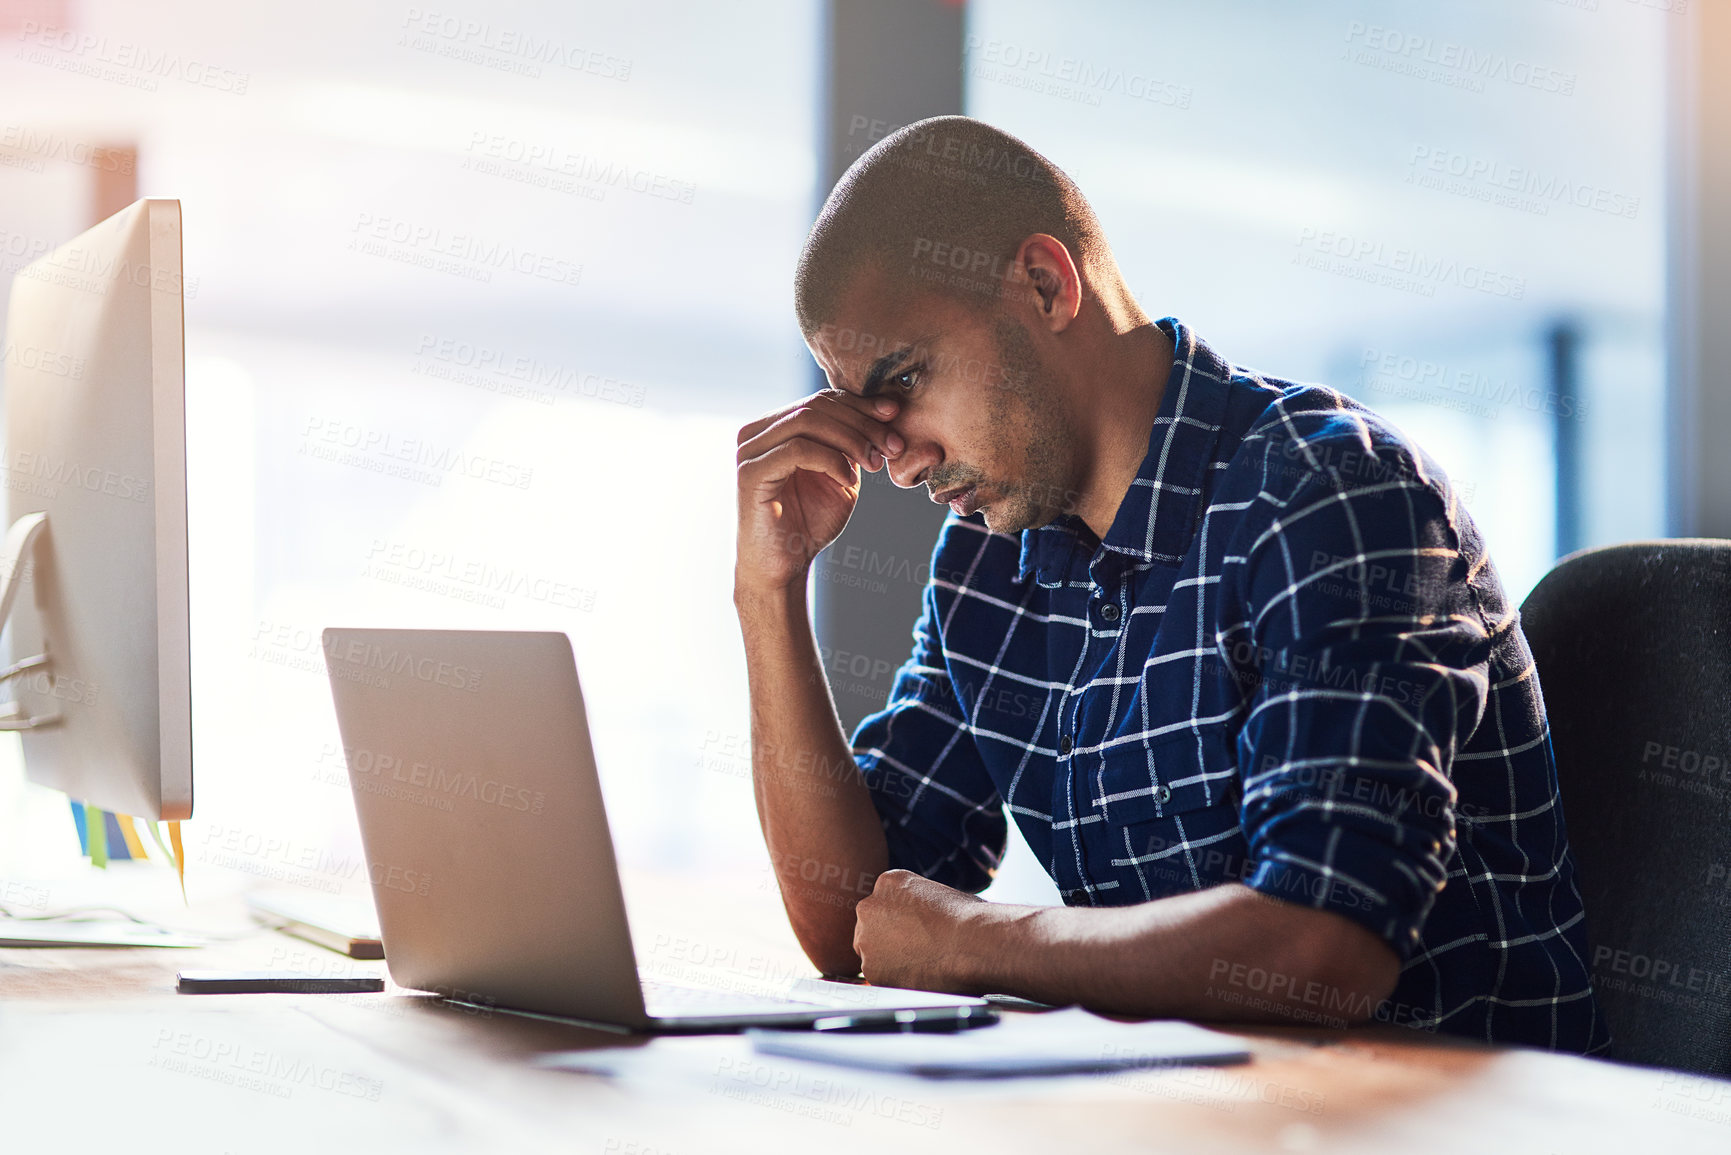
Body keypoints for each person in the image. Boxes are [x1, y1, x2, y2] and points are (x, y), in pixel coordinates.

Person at [732, 115, 1606, 1052]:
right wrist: (765, 591)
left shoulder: (1329, 497)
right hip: (1190, 1115)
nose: (897, 463)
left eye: (904, 379)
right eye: (866, 410)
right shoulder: (987, 567)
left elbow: (1323, 947)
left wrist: (979, 942)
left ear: (1044, 283)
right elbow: (857, 925)